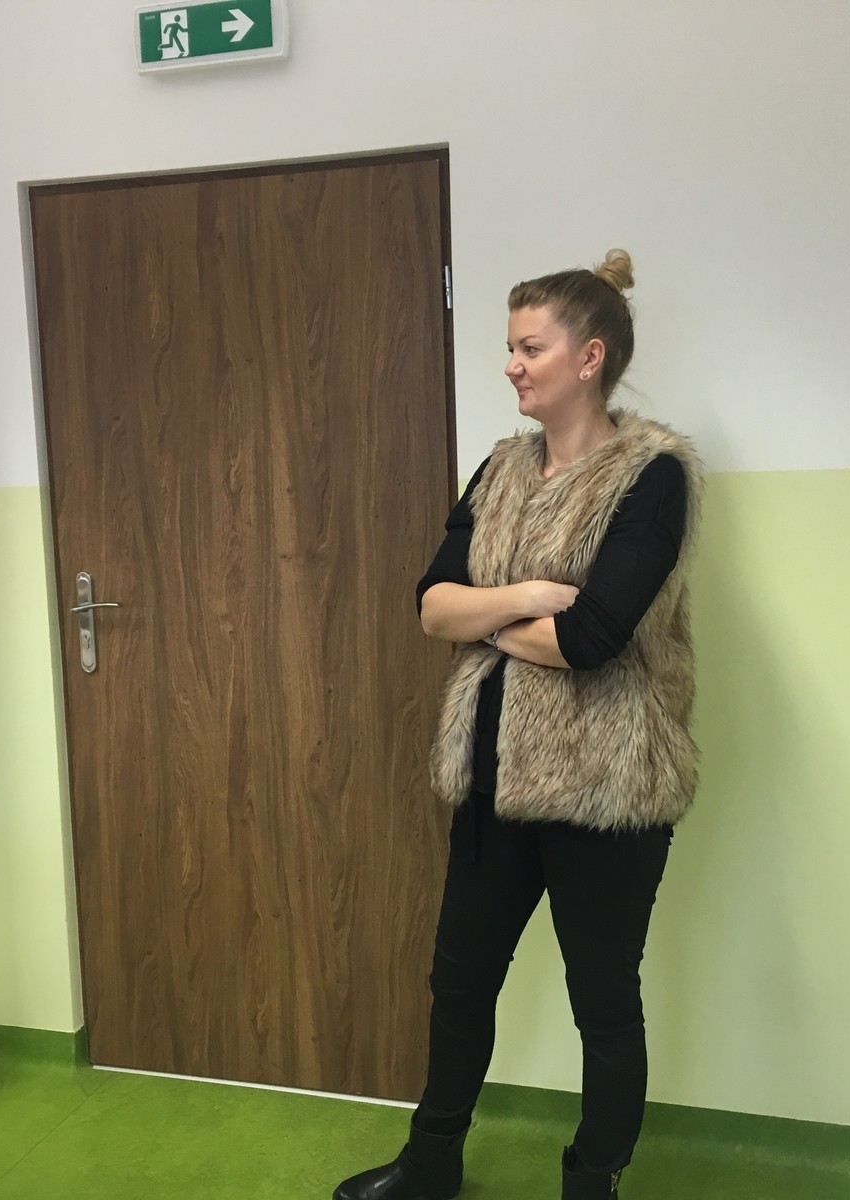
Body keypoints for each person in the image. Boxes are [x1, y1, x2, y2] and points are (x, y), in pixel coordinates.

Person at [333, 250, 704, 1200]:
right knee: (458, 983)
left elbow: (592, 638)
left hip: (607, 787)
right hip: (491, 778)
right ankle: (430, 1164)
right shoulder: (499, 467)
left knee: (602, 1004)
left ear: (589, 357)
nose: (511, 365)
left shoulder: (652, 477)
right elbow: (430, 605)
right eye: (511, 347)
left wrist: (487, 619)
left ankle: (592, 1183)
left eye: (530, 348)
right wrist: (527, 598)